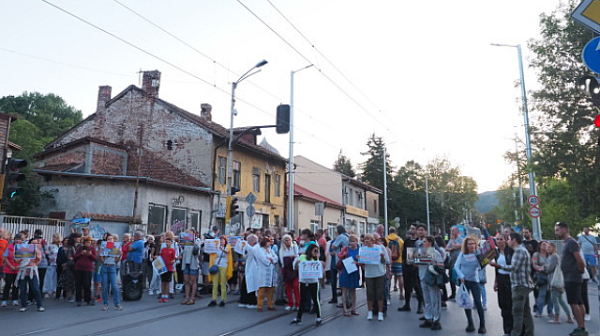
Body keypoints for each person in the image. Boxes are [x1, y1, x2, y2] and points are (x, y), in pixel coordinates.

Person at [489, 232, 534, 336]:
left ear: (513, 240)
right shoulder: (521, 250)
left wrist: (498, 265)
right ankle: (528, 332)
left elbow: (513, 267)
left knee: (517, 312)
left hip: (519, 284)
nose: (506, 241)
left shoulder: (518, 251)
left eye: (507, 239)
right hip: (520, 283)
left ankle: (516, 333)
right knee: (525, 311)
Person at [555, 222, 587, 336]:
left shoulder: (571, 243)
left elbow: (579, 260)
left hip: (572, 278)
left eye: (558, 230)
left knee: (574, 303)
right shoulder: (568, 243)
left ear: (565, 229)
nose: (556, 232)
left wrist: (579, 271)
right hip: (571, 277)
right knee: (578, 302)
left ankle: (580, 327)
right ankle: (582, 326)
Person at [454, 236, 486, 334]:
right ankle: (470, 323)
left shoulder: (478, 254)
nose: (472, 245)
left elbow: (482, 266)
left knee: (478, 302)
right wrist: (461, 276)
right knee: (466, 302)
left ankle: (482, 325)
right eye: (469, 244)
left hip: (475, 281)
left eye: (473, 243)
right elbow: (456, 266)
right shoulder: (462, 254)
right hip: (465, 281)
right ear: (466, 245)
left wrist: (482, 259)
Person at [290, 244, 323, 326]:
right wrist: (297, 264)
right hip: (304, 281)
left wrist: (317, 258)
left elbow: (319, 270)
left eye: (317, 251)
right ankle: (299, 317)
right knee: (303, 300)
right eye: (314, 250)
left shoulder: (316, 259)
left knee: (315, 299)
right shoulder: (302, 257)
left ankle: (319, 317)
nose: (315, 252)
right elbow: (296, 268)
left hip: (313, 281)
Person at [358, 233, 389, 321]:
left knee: (380, 294)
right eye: (365, 240)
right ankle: (370, 312)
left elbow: (385, 261)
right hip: (369, 274)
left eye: (368, 239)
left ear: (372, 240)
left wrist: (382, 257)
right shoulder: (363, 249)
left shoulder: (380, 248)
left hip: (379, 273)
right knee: (370, 294)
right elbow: (362, 263)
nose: (366, 241)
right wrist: (361, 260)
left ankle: (380, 312)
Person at [418, 236, 444, 331]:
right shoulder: (419, 252)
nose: (422, 243)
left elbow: (441, 265)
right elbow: (415, 263)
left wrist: (433, 262)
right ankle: (428, 317)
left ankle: (436, 320)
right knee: (427, 299)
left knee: (434, 300)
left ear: (430, 243)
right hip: (423, 277)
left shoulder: (435, 253)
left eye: (424, 241)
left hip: (432, 279)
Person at [545, 242, 573, 324]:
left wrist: (545, 268)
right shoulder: (554, 256)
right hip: (558, 281)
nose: (548, 249)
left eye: (549, 247)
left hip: (554, 281)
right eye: (547, 247)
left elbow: (550, 268)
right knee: (561, 300)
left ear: (554, 248)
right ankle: (569, 316)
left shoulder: (554, 256)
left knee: (555, 300)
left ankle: (557, 318)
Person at [399, 223, 423, 313]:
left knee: (417, 286)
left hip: (416, 267)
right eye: (410, 228)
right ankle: (407, 304)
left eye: (413, 228)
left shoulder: (419, 242)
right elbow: (404, 253)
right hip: (407, 266)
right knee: (407, 286)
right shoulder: (407, 241)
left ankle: (420, 305)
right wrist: (404, 262)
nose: (411, 230)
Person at [493, 233, 514, 335]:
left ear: (506, 240)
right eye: (497, 239)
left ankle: (513, 328)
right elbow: (497, 268)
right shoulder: (496, 252)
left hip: (510, 279)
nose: (499, 241)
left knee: (510, 304)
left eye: (501, 239)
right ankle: (506, 329)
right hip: (501, 278)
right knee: (502, 304)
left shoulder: (510, 251)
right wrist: (495, 281)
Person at [17, 236, 45, 312]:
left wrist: (36, 254)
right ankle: (23, 305)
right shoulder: (23, 250)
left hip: (32, 271)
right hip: (23, 271)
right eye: (33, 243)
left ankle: (39, 305)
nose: (34, 245)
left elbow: (38, 261)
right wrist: (17, 255)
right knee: (23, 289)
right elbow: (17, 261)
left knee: (36, 288)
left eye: (36, 243)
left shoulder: (38, 251)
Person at [338, 233, 361, 316]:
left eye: (354, 241)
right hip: (345, 271)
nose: (352, 243)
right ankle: (345, 309)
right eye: (351, 241)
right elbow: (339, 255)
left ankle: (353, 308)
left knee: (353, 291)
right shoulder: (346, 249)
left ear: (357, 241)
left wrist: (357, 262)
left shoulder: (360, 250)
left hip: (354, 272)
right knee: (344, 291)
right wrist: (343, 255)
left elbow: (362, 262)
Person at [208, 235, 233, 307]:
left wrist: (222, 249)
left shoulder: (227, 247)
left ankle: (223, 299)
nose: (221, 241)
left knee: (223, 283)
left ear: (225, 241)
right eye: (221, 240)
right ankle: (214, 299)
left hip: (224, 266)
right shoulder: (216, 247)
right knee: (215, 284)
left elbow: (227, 252)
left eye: (223, 240)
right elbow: (211, 253)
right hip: (216, 266)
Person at [256, 237, 279, 312]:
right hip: (263, 271)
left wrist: (271, 259)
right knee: (262, 289)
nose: (270, 243)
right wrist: (270, 259)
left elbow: (276, 258)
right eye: (268, 242)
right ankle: (260, 305)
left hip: (271, 271)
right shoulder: (260, 251)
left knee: (271, 289)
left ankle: (270, 305)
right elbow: (263, 260)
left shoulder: (270, 250)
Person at [100, 234, 122, 311]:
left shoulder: (116, 247)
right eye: (109, 239)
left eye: (112, 239)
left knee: (115, 286)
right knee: (105, 287)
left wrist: (119, 255)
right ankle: (105, 303)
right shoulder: (103, 246)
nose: (110, 240)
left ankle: (117, 303)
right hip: (105, 267)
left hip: (112, 267)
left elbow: (116, 261)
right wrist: (104, 253)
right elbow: (101, 259)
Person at [74, 236, 97, 306]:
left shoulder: (92, 249)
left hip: (88, 269)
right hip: (79, 268)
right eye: (87, 242)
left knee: (87, 284)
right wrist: (81, 254)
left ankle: (88, 299)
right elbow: (75, 257)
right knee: (78, 284)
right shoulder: (80, 248)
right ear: (84, 243)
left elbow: (95, 258)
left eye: (89, 242)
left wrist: (90, 255)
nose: (88, 244)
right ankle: (78, 300)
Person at [328, 225, 349, 305]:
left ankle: (345, 302)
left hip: (340, 260)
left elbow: (333, 246)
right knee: (346, 281)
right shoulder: (348, 236)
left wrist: (335, 245)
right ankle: (347, 300)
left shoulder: (341, 237)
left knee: (342, 282)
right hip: (347, 260)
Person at [532, 241, 553, 317]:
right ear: (540, 246)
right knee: (542, 294)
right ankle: (539, 311)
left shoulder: (550, 255)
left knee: (551, 295)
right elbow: (534, 264)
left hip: (550, 276)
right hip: (542, 276)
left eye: (547, 245)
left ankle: (550, 311)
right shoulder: (536, 254)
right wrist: (541, 268)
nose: (545, 246)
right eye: (544, 245)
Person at [280, 234, 300, 311]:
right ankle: (290, 303)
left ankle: (298, 303)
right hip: (286, 269)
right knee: (288, 288)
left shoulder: (294, 247)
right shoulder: (282, 250)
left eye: (289, 240)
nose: (288, 241)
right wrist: (291, 258)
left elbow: (297, 257)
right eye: (286, 240)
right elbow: (282, 261)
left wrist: (292, 261)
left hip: (294, 269)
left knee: (296, 286)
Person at [180, 230, 201, 305]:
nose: (188, 235)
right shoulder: (185, 242)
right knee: (186, 280)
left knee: (193, 280)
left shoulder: (197, 241)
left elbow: (197, 254)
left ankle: (192, 298)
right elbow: (182, 252)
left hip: (193, 263)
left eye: (190, 234)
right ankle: (187, 298)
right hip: (186, 262)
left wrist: (195, 245)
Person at [2, 233, 21, 307]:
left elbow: (24, 259)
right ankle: (4, 300)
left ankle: (14, 299)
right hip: (9, 269)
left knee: (16, 285)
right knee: (7, 284)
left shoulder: (23, 248)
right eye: (16, 239)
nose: (18, 241)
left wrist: (18, 265)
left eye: (19, 239)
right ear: (14, 240)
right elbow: (5, 258)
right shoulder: (9, 247)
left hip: (18, 269)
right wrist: (11, 266)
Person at [241, 234, 259, 309]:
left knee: (252, 286)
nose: (248, 242)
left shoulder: (257, 247)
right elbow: (245, 256)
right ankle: (244, 301)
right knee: (245, 284)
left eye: (249, 241)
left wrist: (245, 245)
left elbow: (253, 252)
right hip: (248, 268)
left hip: (254, 269)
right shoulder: (249, 247)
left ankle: (252, 302)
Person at [445, 226, 463, 300]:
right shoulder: (451, 240)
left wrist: (452, 242)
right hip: (452, 261)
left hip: (459, 262)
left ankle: (462, 293)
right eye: (451, 231)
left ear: (457, 232)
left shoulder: (460, 240)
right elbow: (446, 248)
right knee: (451, 277)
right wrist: (451, 247)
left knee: (459, 278)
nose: (451, 232)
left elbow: (456, 247)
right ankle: (453, 293)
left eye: (453, 231)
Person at [386, 227, 404, 300]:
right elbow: (402, 250)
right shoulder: (400, 240)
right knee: (400, 277)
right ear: (395, 232)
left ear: (389, 232)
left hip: (389, 261)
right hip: (398, 261)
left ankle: (388, 293)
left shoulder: (386, 239)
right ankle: (401, 293)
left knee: (389, 277)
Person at [57, 236, 76, 302]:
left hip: (70, 267)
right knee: (64, 281)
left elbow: (73, 258)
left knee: (70, 282)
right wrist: (62, 264)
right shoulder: (61, 249)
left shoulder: (72, 248)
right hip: (63, 267)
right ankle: (64, 295)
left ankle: (70, 295)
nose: (66, 242)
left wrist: (68, 263)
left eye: (67, 240)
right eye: (65, 240)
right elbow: (58, 258)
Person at [159, 237, 176, 303]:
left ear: (171, 243)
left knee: (167, 282)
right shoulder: (163, 249)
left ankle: (166, 295)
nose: (167, 243)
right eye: (166, 242)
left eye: (168, 242)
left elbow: (174, 258)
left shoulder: (172, 250)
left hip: (169, 268)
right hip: (163, 268)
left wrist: (173, 261)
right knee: (163, 282)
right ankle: (162, 295)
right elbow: (161, 257)